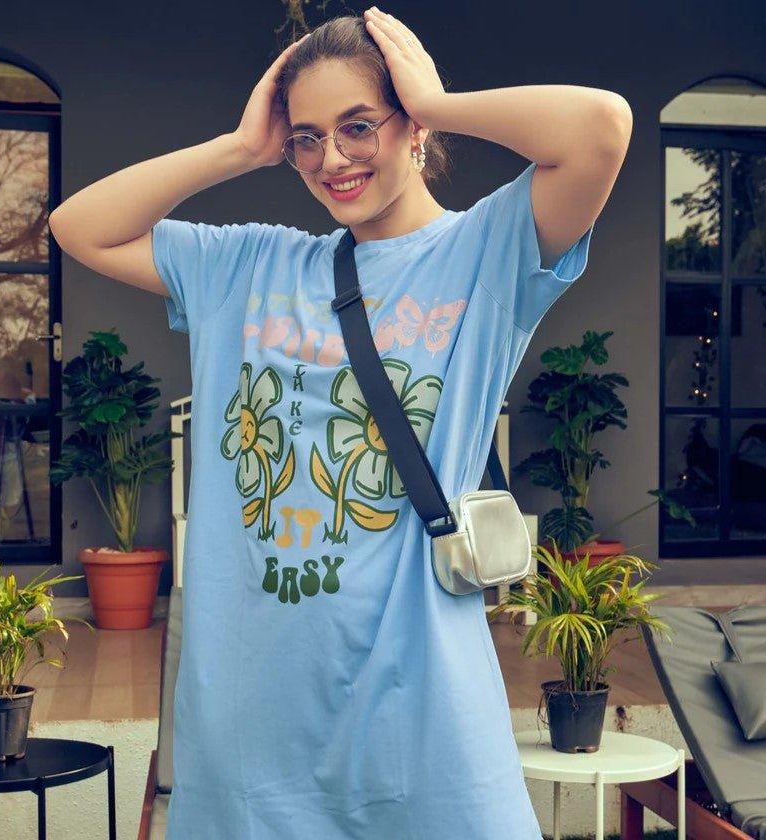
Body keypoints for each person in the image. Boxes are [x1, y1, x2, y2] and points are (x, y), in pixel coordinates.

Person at [49, 8, 631, 838]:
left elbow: (601, 127)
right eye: (306, 139)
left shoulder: (486, 252)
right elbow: (79, 226)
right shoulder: (250, 264)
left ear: (413, 130)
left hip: (419, 702)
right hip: (253, 720)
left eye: (359, 126)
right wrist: (242, 148)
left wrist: (436, 96)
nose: (332, 159)